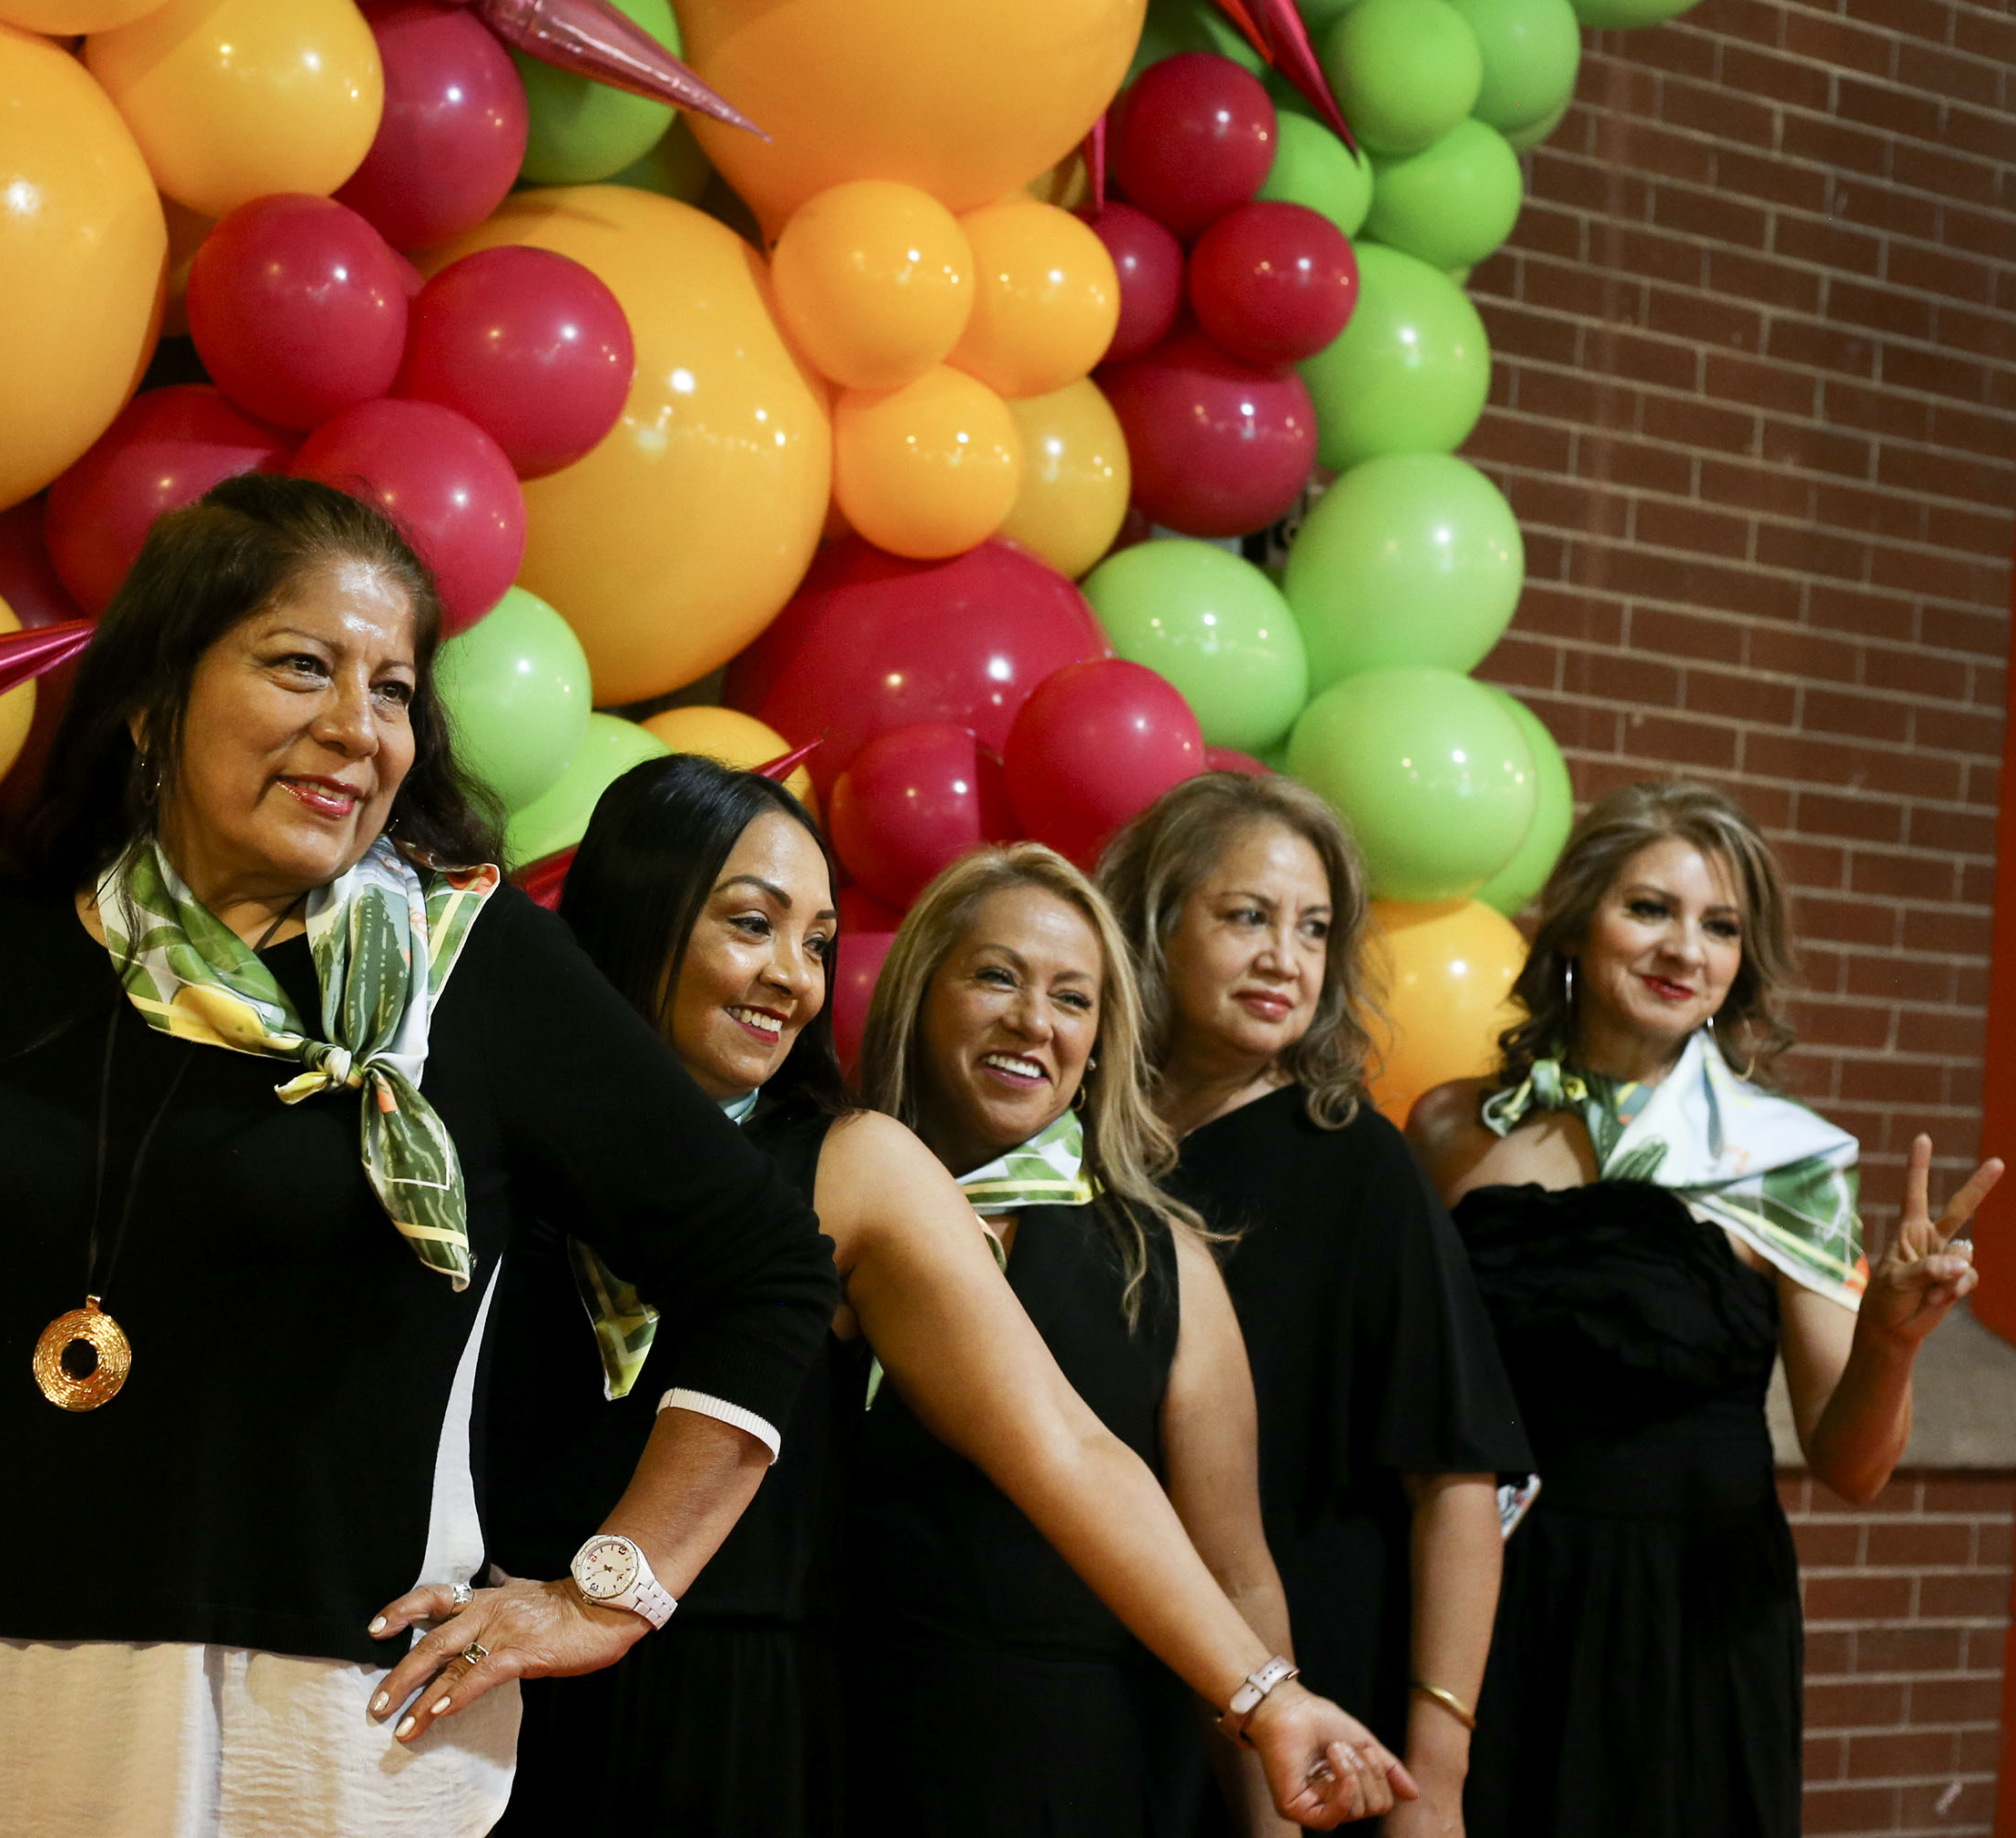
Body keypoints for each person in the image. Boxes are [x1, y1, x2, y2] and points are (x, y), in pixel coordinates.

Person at [0, 475, 840, 1838]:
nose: (357, 729)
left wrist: (609, 1590)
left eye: (396, 689)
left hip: (325, 1744)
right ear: (153, 696)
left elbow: (764, 1266)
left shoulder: (469, 967)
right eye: (303, 665)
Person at [489, 761, 1399, 1836]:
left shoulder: (853, 1165)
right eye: (753, 923)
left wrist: (1265, 1693)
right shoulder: (481, 1134)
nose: (792, 974)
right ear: (637, 913)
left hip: (736, 1732)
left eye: (819, 942)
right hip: (479, 1690)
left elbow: (1068, 1446)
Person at [1407, 781, 2003, 1838]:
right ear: (1578, 926)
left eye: (1720, 925)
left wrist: (1893, 1341)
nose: (1685, 946)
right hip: (1489, 1596)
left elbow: (1851, 1463)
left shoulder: (1789, 1157)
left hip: (1692, 1615)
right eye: (1650, 908)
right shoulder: (1454, 1124)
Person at [849, 843, 1413, 1836]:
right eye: (995, 975)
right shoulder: (821, 1196)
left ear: (1103, 1037)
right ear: (915, 992)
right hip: (823, 1734)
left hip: (1072, 1767)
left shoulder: (1167, 1261)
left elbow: (1236, 1570)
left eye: (1074, 997)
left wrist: (1274, 1815)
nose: (1034, 1020)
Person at [1101, 773, 1532, 1838]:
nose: (1284, 956)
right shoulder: (1077, 1153)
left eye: (1313, 927)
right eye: (1246, 914)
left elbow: (1459, 1478)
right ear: (1155, 924)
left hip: (1316, 1709)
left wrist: (1437, 1772)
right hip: (1103, 1688)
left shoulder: (1354, 1164)